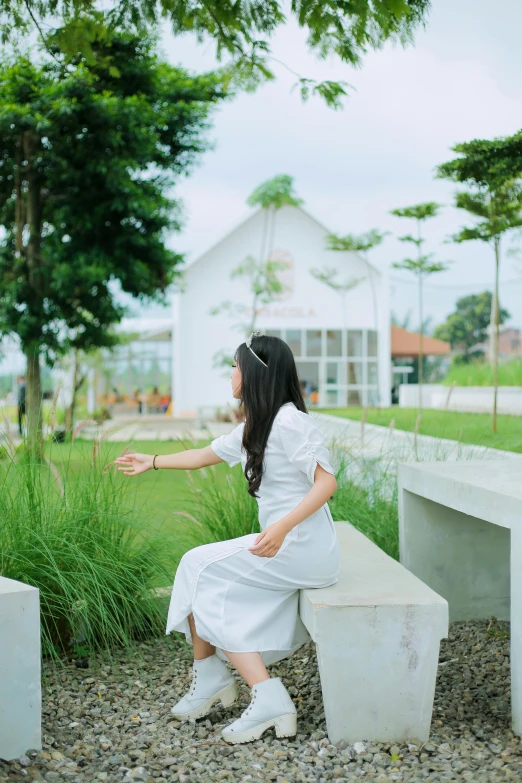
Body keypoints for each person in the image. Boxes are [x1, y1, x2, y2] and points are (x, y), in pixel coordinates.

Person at [115, 332, 339, 744]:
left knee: (198, 570)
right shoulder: (259, 425)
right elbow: (204, 455)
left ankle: (257, 692)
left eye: (236, 366)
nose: (231, 374)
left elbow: (326, 483)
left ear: (253, 373)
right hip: (286, 544)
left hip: (302, 547)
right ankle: (212, 677)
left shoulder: (290, 422)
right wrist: (153, 461)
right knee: (197, 567)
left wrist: (283, 526)